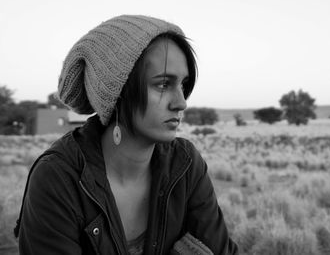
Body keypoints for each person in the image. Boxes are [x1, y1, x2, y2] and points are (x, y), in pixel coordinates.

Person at [14, 15, 238, 255]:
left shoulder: (184, 164)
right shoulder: (59, 177)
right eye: (163, 84)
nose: (181, 102)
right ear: (118, 92)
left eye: (183, 85)